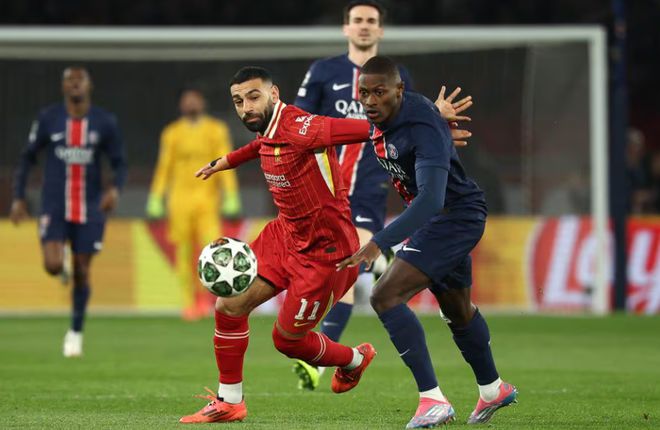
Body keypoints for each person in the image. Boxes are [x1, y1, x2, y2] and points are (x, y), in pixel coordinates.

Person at [178, 66, 381, 424]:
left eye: (253, 97)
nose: (246, 108)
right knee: (229, 306)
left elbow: (370, 128)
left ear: (274, 94)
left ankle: (354, 359)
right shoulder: (270, 128)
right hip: (285, 235)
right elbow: (260, 146)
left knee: (287, 341)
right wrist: (224, 162)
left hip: (327, 256)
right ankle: (230, 401)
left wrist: (431, 120)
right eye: (238, 101)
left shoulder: (304, 127)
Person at [293, 0, 473, 390]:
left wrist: (435, 123)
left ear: (380, 30)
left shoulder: (397, 75)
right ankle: (377, 265)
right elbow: (299, 123)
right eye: (357, 20)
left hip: (370, 189)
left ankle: (319, 358)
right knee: (333, 269)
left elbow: (412, 126)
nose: (363, 26)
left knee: (345, 264)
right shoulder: (323, 71)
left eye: (370, 21)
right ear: (346, 28)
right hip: (327, 186)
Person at [338, 56, 517, 427]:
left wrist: (380, 242)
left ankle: (432, 400)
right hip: (442, 219)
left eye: (379, 92)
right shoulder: (391, 118)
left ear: (399, 90)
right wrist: (437, 119)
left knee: (384, 296)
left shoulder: (420, 125)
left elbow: (432, 199)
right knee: (457, 309)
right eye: (364, 93)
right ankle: (493, 389)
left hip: (453, 216)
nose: (370, 101)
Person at [10, 66, 127, 358]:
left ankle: (75, 332)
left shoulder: (104, 122)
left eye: (80, 80)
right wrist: (18, 197)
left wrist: (114, 190)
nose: (75, 84)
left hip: (90, 207)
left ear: (89, 85)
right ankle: (61, 260)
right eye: (69, 80)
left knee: (82, 271)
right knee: (51, 266)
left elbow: (119, 162)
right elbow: (27, 157)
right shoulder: (48, 118)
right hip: (54, 205)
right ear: (63, 87)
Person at [146, 88, 241, 320]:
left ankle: (208, 300)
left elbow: (225, 162)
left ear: (203, 103)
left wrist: (231, 194)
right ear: (181, 105)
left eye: (194, 100)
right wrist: (156, 196)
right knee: (183, 251)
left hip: (207, 199)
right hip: (179, 200)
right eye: (186, 101)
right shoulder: (172, 133)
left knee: (212, 250)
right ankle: (188, 302)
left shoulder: (216, 130)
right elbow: (164, 166)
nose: (191, 104)